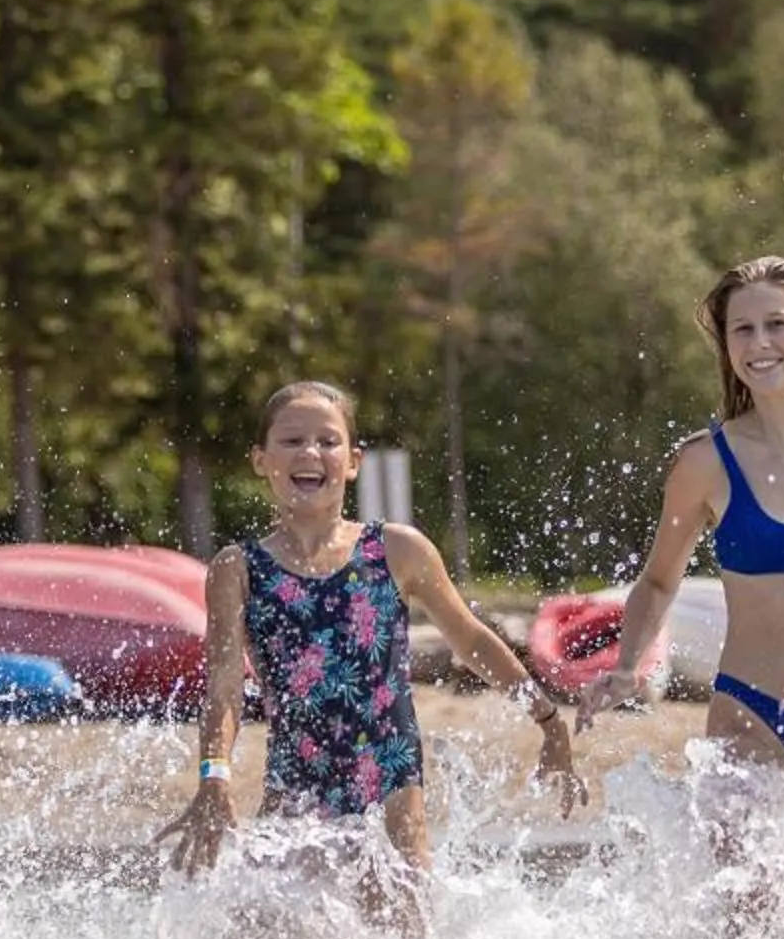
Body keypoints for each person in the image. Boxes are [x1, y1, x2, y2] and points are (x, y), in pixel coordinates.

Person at [156, 381, 584, 893]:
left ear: (353, 461)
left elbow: (470, 642)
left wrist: (549, 721)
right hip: (294, 782)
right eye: (291, 441)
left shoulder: (397, 550)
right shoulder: (238, 569)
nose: (311, 452)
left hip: (391, 782)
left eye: (328, 441)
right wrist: (214, 776)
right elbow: (224, 688)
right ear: (260, 460)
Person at [577, 255, 784, 817]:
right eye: (743, 329)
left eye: (776, 324)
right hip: (752, 712)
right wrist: (625, 666)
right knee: (744, 906)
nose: (760, 342)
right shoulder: (704, 462)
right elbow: (660, 582)